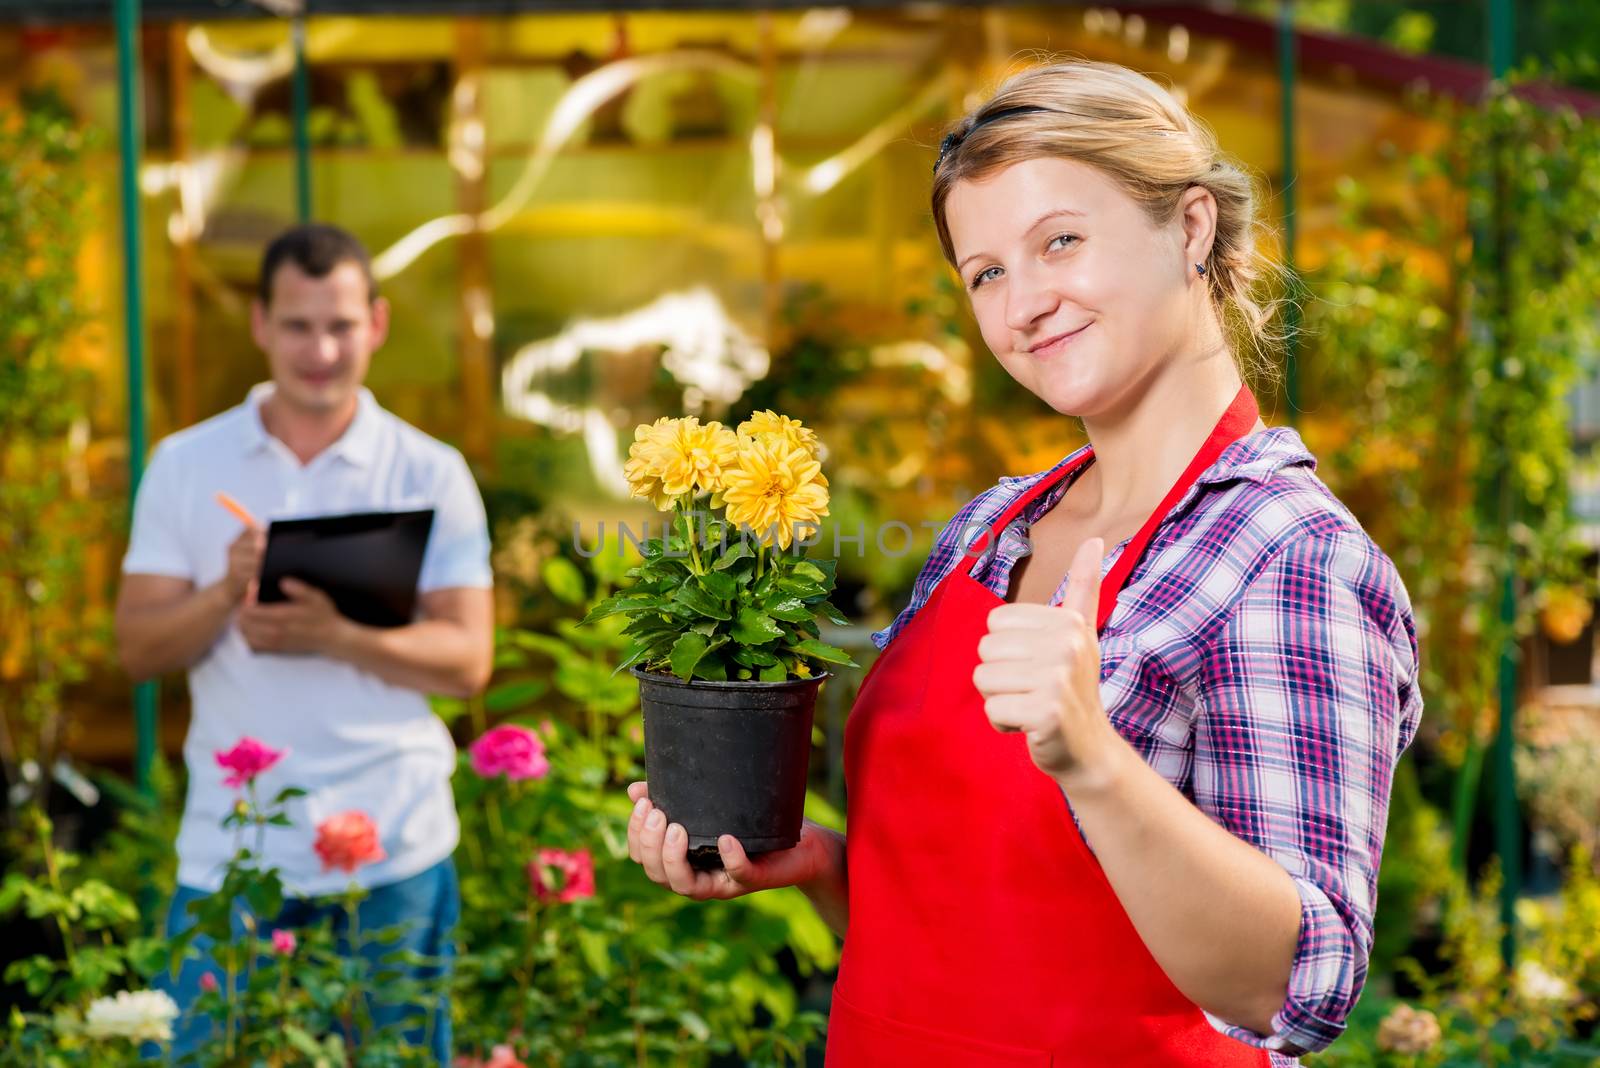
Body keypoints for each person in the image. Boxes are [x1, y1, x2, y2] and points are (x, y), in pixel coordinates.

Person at [624, 61, 1421, 1066]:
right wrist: (815, 863)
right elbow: (966, 924)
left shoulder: (1287, 556)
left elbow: (1295, 985)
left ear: (1188, 229)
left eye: (1060, 242)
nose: (1024, 303)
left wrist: (1093, 760)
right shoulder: (991, 527)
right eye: (985, 272)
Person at [115, 223, 494, 1064]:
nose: (320, 349)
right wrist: (222, 589)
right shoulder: (186, 463)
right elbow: (136, 651)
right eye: (297, 325)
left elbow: (470, 661)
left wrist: (338, 635)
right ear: (259, 324)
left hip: (396, 840)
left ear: (378, 325)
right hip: (235, 847)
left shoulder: (430, 471)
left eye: (341, 325)